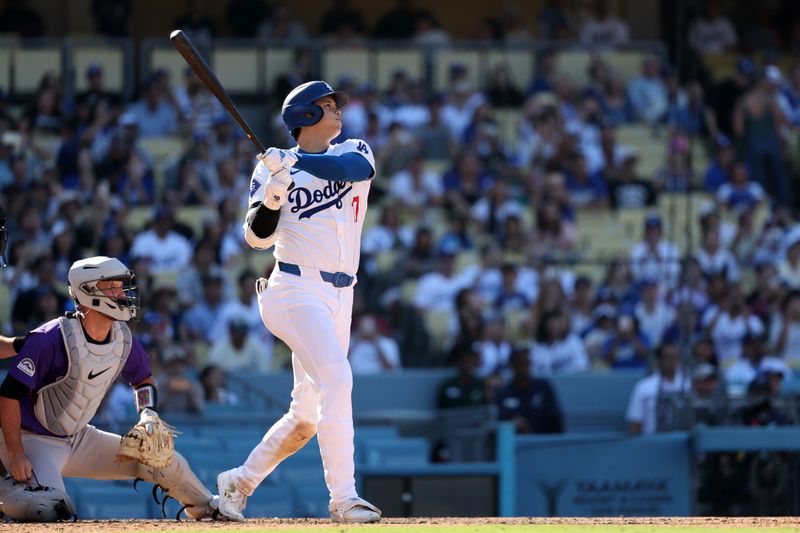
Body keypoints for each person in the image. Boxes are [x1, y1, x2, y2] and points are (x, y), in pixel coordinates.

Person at [217, 80, 381, 523]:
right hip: (292, 290)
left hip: (340, 295)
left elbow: (352, 171)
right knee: (337, 377)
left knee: (306, 416)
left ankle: (238, 482)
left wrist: (295, 161)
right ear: (306, 116)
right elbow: (256, 237)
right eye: (328, 107)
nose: (338, 112)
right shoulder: (273, 171)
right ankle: (344, 498)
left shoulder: (355, 150)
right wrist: (275, 188)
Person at [0, 256, 229, 521]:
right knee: (49, 508)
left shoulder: (123, 337)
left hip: (78, 437)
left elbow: (143, 380)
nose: (122, 293)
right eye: (113, 286)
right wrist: (16, 454)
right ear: (87, 291)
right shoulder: (50, 338)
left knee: (163, 462)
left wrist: (147, 414)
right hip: (33, 440)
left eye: (122, 286)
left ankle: (210, 509)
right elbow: (8, 394)